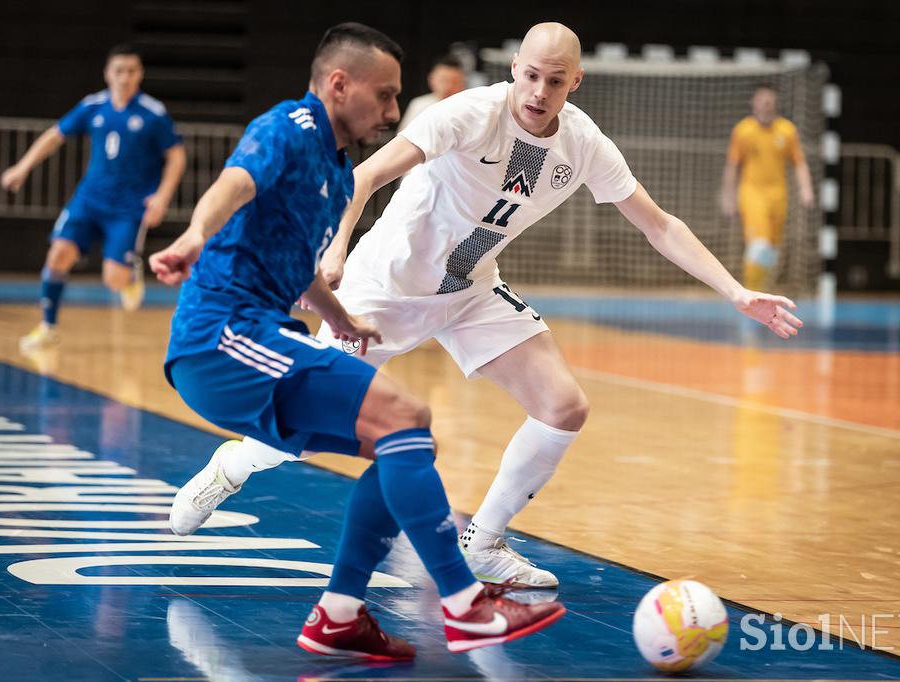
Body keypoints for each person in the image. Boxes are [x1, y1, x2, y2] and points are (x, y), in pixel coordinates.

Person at [308, 22, 803, 589]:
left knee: (563, 405)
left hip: (468, 290)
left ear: (577, 82)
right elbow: (365, 175)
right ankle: (230, 468)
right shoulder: (468, 113)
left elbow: (660, 226)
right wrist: (335, 249)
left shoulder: (584, 143)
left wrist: (736, 292)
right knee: (303, 426)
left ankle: (485, 540)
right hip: (385, 287)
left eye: (557, 81)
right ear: (514, 68)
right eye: (533, 76)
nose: (540, 92)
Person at [149, 22, 564, 660]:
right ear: (339, 85)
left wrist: (336, 316)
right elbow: (236, 183)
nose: (394, 111)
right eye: (386, 95)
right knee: (403, 415)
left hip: (265, 334)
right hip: (220, 339)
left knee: (406, 439)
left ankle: (339, 615)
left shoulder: (337, 176)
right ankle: (466, 606)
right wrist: (193, 235)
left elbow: (297, 266)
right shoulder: (293, 127)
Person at [2, 44, 186, 352]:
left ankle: (129, 276)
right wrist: (22, 167)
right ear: (107, 74)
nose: (124, 78)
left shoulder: (153, 114)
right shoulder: (93, 106)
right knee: (58, 255)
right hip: (88, 201)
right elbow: (54, 135)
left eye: (130, 71)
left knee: (113, 280)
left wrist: (161, 198)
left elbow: (176, 156)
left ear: (139, 74)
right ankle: (48, 326)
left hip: (127, 208)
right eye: (118, 71)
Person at [722, 84, 816, 290]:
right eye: (762, 101)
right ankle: (749, 294)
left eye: (769, 102)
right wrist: (728, 197)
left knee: (771, 250)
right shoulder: (743, 131)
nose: (766, 106)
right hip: (752, 193)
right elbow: (732, 166)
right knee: (760, 244)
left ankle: (760, 290)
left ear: (775, 105)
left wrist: (806, 189)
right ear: (753, 104)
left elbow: (799, 163)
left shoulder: (787, 131)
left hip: (778, 196)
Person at [397, 54, 467, 131]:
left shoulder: (468, 107)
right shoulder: (419, 104)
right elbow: (403, 135)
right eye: (443, 80)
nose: (448, 86)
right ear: (431, 79)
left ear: (463, 83)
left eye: (454, 82)